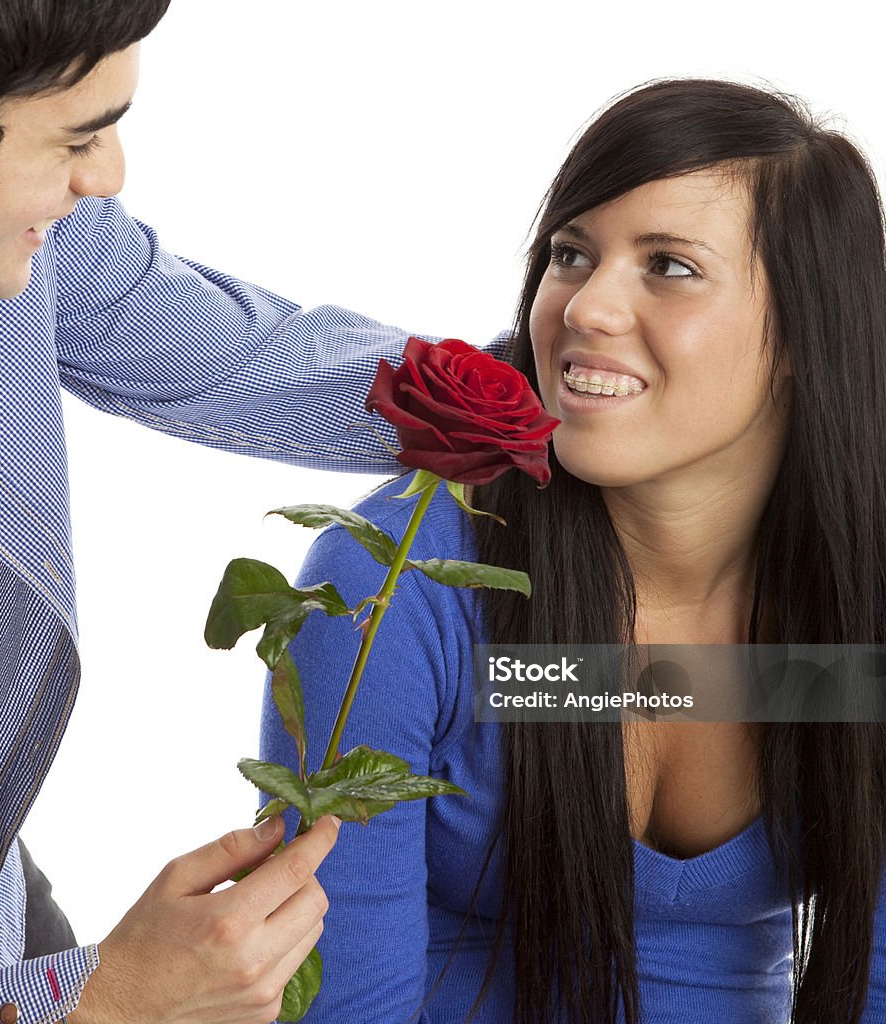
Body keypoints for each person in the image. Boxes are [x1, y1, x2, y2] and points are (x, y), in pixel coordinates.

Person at [0, 2, 460, 1022]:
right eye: (76, 137)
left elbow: (231, 354)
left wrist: (535, 401)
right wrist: (103, 1000)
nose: (107, 176)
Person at [262, 78, 886, 1022]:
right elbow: (340, 1003)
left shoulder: (858, 605)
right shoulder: (395, 581)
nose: (586, 309)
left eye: (669, 266)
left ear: (806, 326)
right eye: (570, 254)